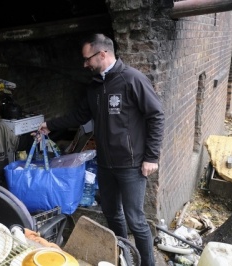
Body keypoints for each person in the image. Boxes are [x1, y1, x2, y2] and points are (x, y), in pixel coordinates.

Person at [38, 33, 165, 266]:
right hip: (105, 164)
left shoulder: (132, 79)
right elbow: (79, 115)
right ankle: (122, 255)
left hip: (132, 164)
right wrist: (49, 125)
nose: (85, 64)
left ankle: (148, 263)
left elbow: (156, 115)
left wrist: (151, 156)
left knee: (136, 220)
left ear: (103, 54)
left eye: (88, 59)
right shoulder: (95, 86)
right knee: (111, 213)